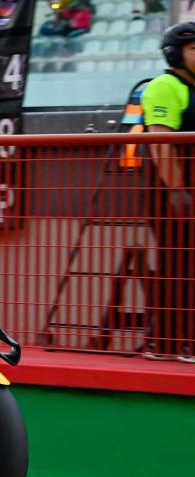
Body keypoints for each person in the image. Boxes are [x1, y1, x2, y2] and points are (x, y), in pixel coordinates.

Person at [140, 23, 195, 363]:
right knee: (179, 264)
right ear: (175, 54)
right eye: (193, 49)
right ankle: (168, 343)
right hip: (174, 195)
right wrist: (178, 192)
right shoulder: (165, 85)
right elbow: (162, 143)